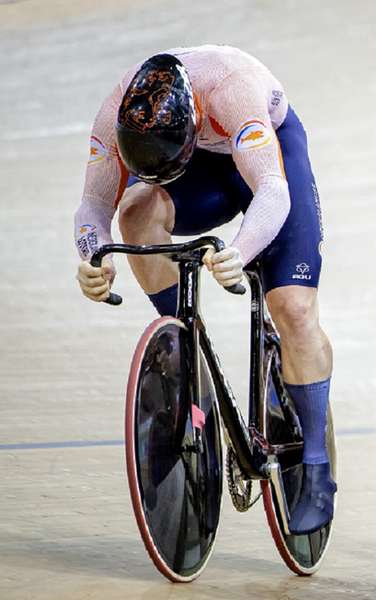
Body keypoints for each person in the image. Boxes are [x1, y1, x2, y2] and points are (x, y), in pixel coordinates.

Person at [73, 46, 335, 534]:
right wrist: (94, 255)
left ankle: (317, 468)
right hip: (194, 169)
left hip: (265, 157)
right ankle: (185, 353)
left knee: (294, 310)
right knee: (136, 215)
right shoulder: (116, 113)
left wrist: (240, 249)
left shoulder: (231, 88)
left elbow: (273, 192)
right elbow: (93, 205)